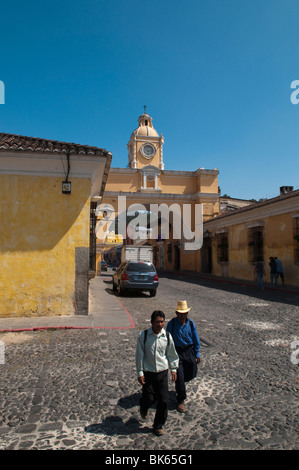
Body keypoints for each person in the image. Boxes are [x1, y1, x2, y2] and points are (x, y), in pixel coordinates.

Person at [135, 310, 179, 436]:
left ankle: (158, 425)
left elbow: (171, 354)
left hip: (162, 373)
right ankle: (144, 407)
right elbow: (139, 355)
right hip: (148, 373)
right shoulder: (143, 336)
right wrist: (140, 372)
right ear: (152, 322)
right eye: (157, 322)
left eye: (162, 322)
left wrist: (174, 369)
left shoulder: (167, 337)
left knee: (164, 400)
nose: (160, 324)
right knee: (149, 398)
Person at [166, 301, 200, 413]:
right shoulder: (172, 324)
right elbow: (166, 339)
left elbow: (195, 338)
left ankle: (180, 385)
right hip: (177, 352)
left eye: (184, 313)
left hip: (189, 351)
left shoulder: (190, 323)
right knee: (179, 376)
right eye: (180, 313)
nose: (182, 315)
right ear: (176, 313)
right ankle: (180, 399)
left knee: (192, 372)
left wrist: (197, 352)